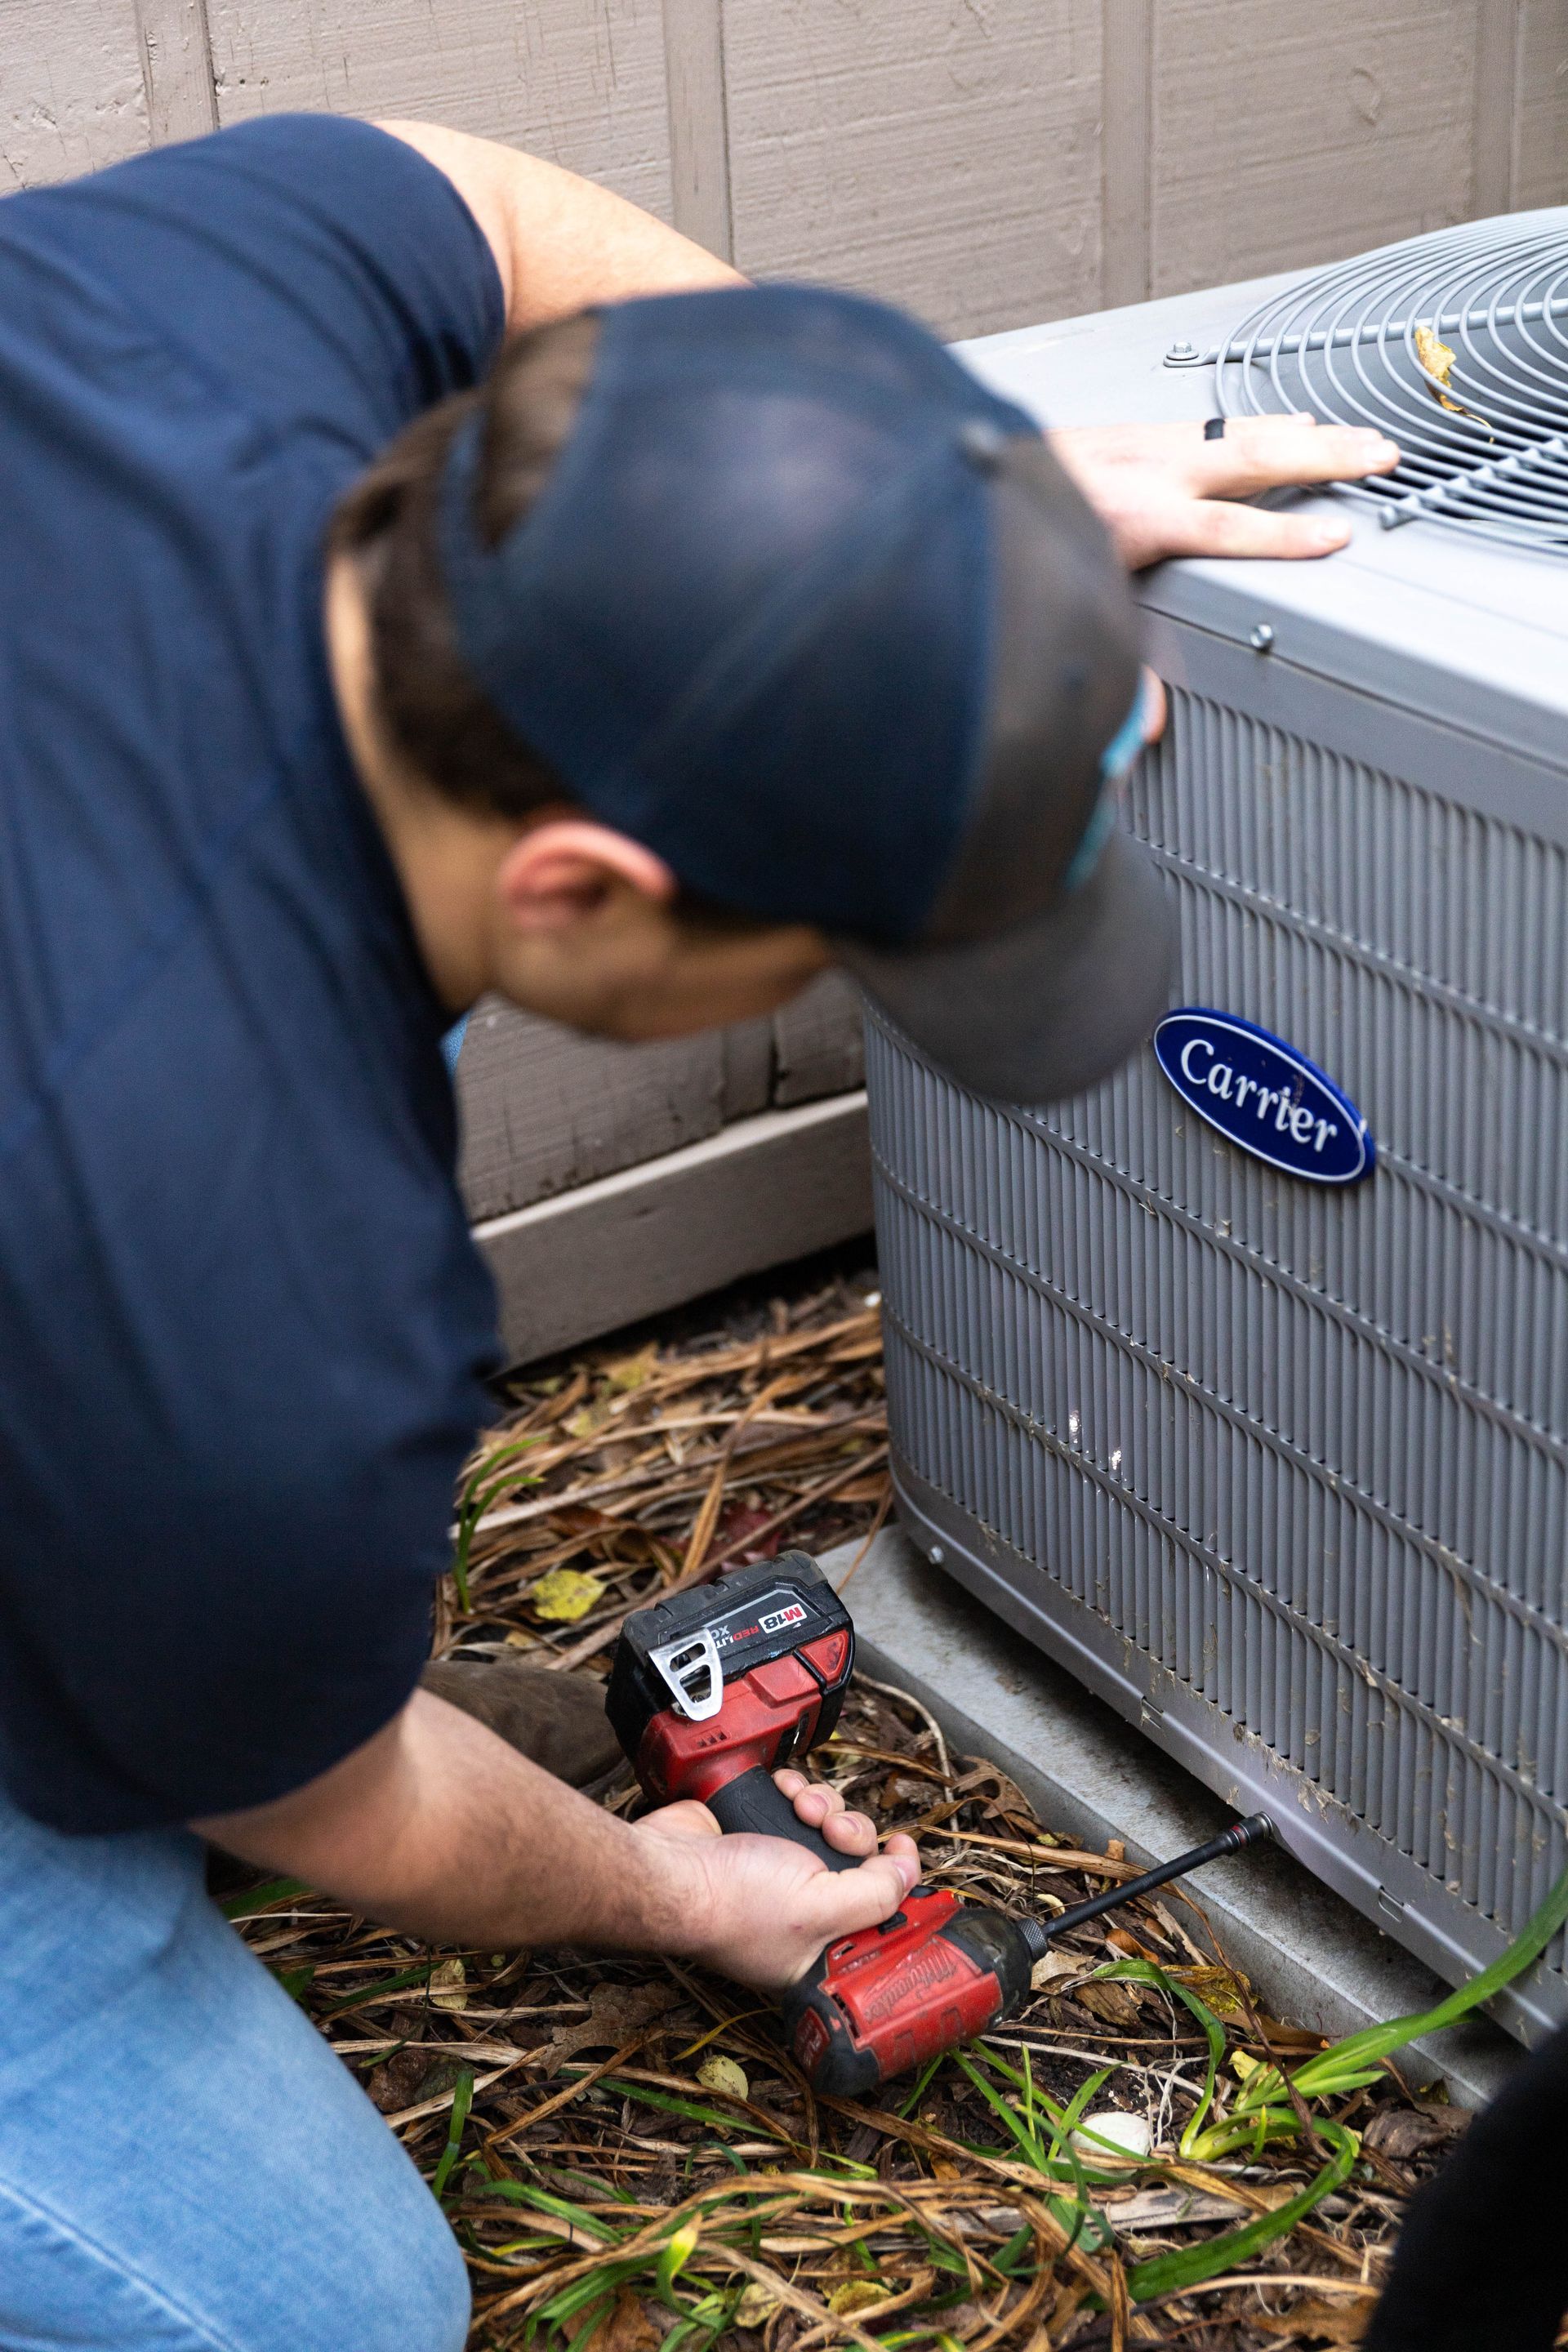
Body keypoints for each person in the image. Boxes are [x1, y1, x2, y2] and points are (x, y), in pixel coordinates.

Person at [0, 111, 1401, 2349]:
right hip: (127, 1286)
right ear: (585, 884)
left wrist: (956, 512)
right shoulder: (244, 1306)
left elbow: (482, 208)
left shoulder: (178, 317)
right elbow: (334, 1803)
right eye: (837, 949)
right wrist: (664, 1889)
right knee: (329, 2313)